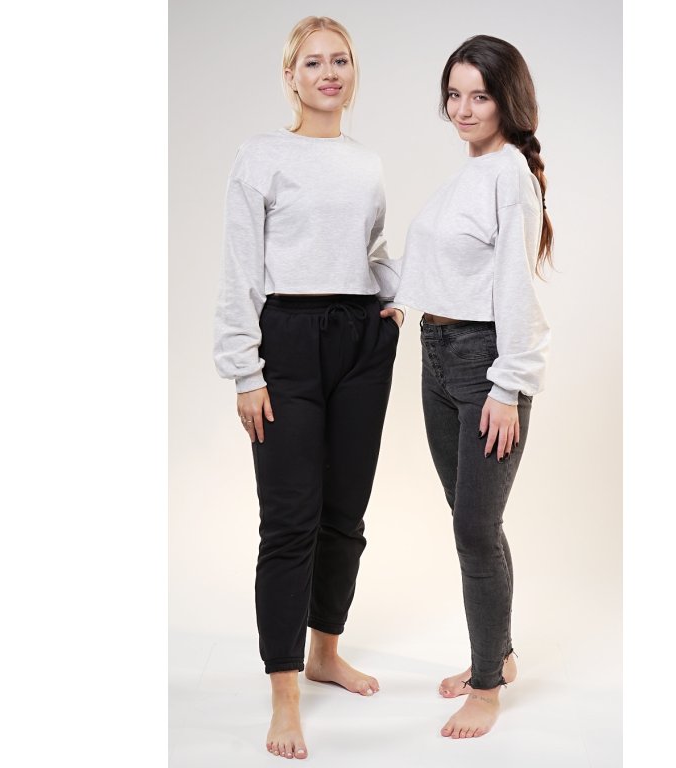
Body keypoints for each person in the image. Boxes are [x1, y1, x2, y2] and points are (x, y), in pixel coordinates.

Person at [212, 16, 403, 760]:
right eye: (314, 62)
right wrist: (245, 370)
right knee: (289, 520)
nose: (329, 73)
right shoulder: (261, 155)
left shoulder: (366, 162)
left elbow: (370, 248)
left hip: (360, 338)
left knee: (345, 514)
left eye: (341, 60)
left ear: (354, 72)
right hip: (287, 340)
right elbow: (240, 266)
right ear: (290, 76)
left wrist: (392, 298)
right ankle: (284, 691)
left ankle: (326, 651)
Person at [395, 34, 553, 740]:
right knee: (472, 522)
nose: (462, 109)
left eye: (479, 96)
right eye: (454, 95)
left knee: (473, 529)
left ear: (506, 101)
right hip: (436, 358)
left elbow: (515, 287)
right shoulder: (467, 173)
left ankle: (486, 686)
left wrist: (508, 385)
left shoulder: (508, 173)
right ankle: (501, 656)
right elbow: (437, 266)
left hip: (484, 364)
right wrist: (393, 299)